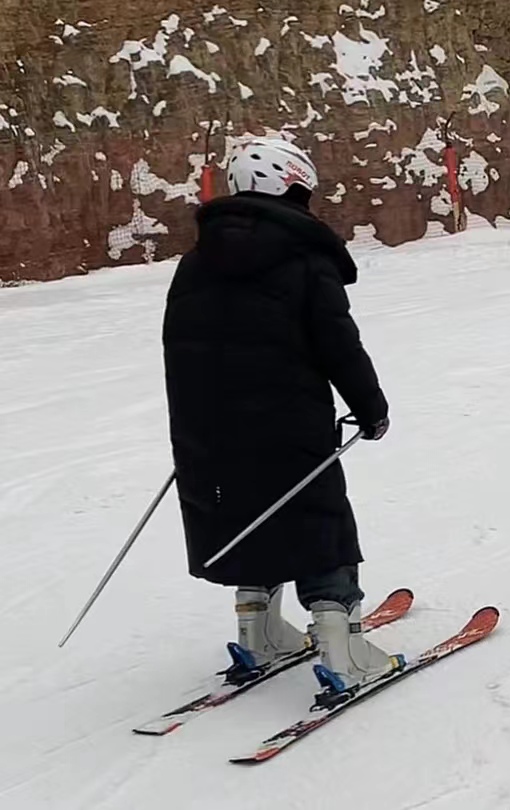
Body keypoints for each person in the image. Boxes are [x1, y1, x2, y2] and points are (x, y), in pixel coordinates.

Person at [162, 136, 400, 695]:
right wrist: (371, 407)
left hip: (207, 427)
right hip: (287, 424)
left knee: (244, 514)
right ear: (289, 186)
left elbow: (180, 347)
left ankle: (259, 632)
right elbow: (338, 343)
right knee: (317, 519)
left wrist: (197, 425)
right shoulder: (303, 258)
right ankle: (343, 648)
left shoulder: (195, 264)